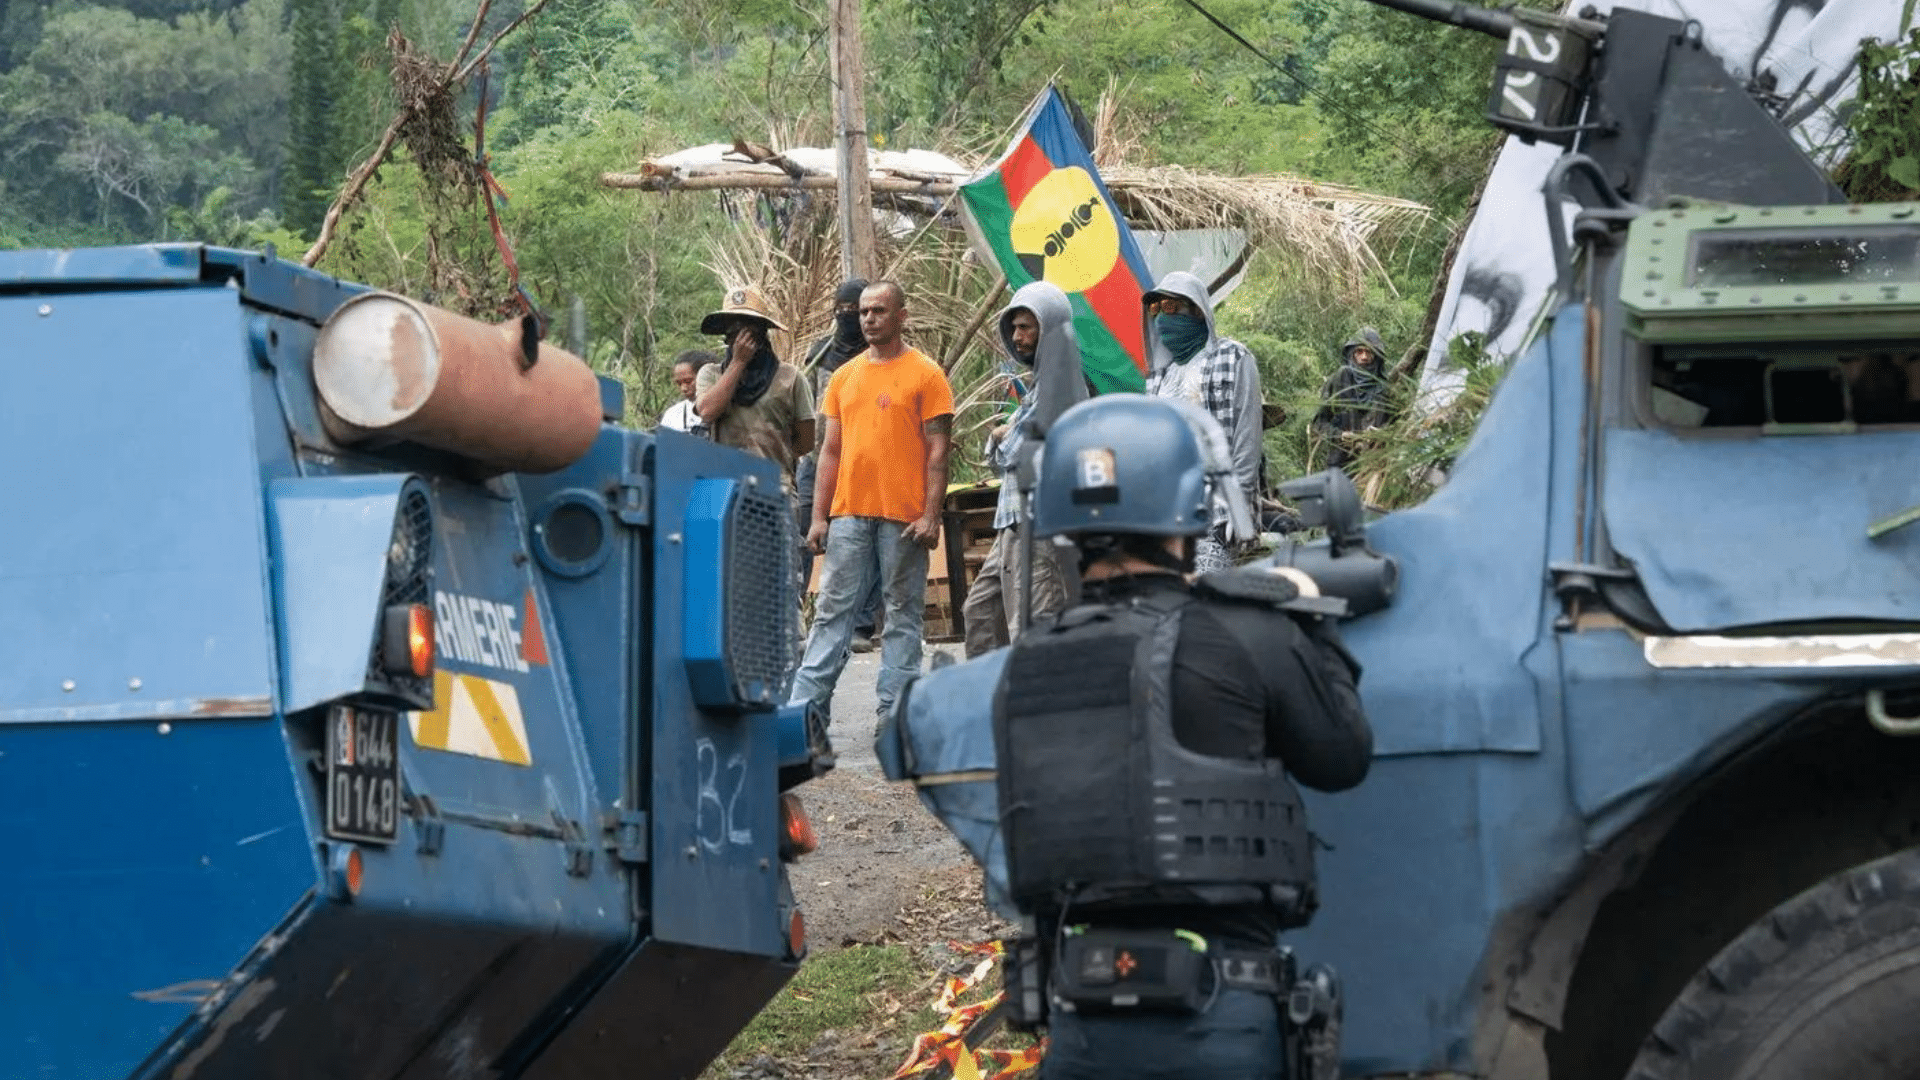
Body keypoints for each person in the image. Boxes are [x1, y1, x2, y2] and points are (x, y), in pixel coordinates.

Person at [991, 393, 1373, 1080]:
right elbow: (1343, 758)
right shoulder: (1247, 633)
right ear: (1188, 505)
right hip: (1222, 1019)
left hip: (1079, 1027)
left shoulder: (1027, 666)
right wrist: (1307, 614)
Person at [789, 280, 954, 724]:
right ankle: (804, 715)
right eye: (863, 311)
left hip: (904, 518)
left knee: (902, 615)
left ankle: (894, 715)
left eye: (879, 310)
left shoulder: (927, 374)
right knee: (832, 613)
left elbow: (939, 451)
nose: (868, 319)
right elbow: (829, 451)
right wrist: (819, 516)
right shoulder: (844, 376)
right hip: (848, 515)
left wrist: (930, 515)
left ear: (902, 316)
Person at [960, 282, 1087, 657]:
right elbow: (999, 457)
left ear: (1050, 329)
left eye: (1026, 327)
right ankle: (988, 699)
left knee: (1033, 626)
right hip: (1012, 523)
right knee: (982, 612)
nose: (1017, 337)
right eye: (1014, 328)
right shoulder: (1037, 387)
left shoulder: (1061, 382)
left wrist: (1003, 432)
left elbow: (1015, 450)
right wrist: (1004, 436)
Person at [1140, 270, 1265, 574]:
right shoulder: (1158, 379)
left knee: (1206, 603)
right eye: (1155, 309)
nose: (1161, 319)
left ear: (1197, 310)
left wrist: (1239, 509)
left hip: (1217, 514)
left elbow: (1247, 438)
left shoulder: (1234, 358)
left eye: (1170, 308)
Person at [798, 278, 883, 653]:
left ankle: (863, 626)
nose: (849, 316)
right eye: (843, 309)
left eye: (857, 308)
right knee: (804, 537)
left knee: (867, 545)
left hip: (866, 463)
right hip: (818, 461)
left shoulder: (879, 354)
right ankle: (795, 622)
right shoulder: (820, 354)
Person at [693, 286, 816, 496]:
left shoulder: (790, 378)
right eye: (733, 332)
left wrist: (770, 454)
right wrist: (738, 362)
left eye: (747, 330)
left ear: (761, 332)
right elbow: (707, 411)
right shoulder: (711, 374)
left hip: (775, 491)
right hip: (724, 491)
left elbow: (804, 441)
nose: (740, 339)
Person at [1312, 327, 1394, 468]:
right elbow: (1319, 423)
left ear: (1376, 355)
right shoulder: (1340, 378)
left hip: (1373, 464)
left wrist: (1382, 433)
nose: (1364, 357)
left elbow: (1398, 424)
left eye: (1369, 352)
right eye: (1359, 351)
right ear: (1352, 354)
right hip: (1340, 463)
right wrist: (1339, 435)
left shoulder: (1385, 388)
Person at [658, 350, 716, 435]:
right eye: (679, 383)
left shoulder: (729, 408)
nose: (683, 388)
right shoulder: (672, 415)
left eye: (688, 381)